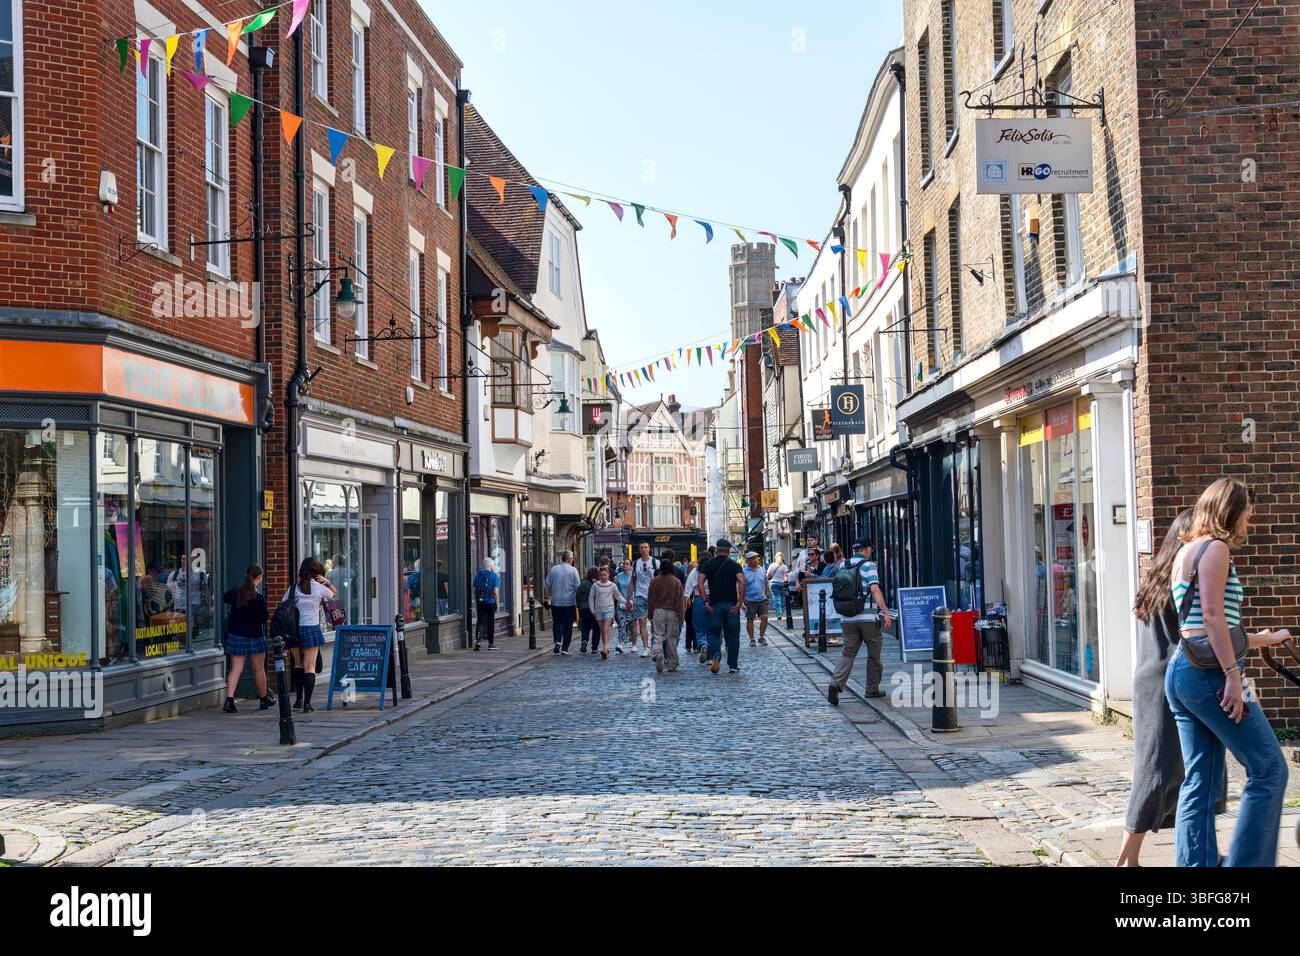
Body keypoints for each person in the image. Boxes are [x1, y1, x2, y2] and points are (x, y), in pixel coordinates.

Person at [1166, 478, 1290, 867]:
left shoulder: (1187, 549)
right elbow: (1214, 618)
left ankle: (1195, 864)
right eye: (1247, 514)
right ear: (1231, 511)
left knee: (1201, 778)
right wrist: (1233, 677)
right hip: (1210, 676)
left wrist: (1263, 638)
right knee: (1269, 769)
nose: (1249, 521)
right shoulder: (1216, 548)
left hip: (1182, 670)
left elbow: (1201, 627)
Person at [1117, 509, 1227, 866]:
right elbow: (1202, 632)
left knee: (1192, 770)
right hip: (1174, 681)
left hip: (1155, 681)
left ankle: (1200, 848)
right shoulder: (1183, 583)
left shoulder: (1158, 578)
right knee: (1158, 772)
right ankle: (1125, 859)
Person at [827, 538, 892, 705]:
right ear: (867, 549)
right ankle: (872, 689)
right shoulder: (869, 565)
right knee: (874, 654)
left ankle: (835, 683)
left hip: (847, 618)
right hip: (868, 618)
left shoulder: (844, 566)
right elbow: (875, 589)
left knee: (847, 653)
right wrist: (885, 612)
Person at [285, 557, 336, 713]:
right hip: (311, 628)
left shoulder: (293, 588)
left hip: (294, 630)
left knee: (298, 664)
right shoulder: (319, 588)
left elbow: (283, 603)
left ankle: (298, 700)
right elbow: (333, 596)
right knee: (310, 667)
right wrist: (327, 582)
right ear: (316, 572)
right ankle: (307, 704)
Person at [221, 564, 274, 713]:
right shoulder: (258, 598)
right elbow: (264, 618)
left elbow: (225, 597)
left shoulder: (236, 592)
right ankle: (264, 699)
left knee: (236, 669)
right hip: (255, 636)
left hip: (236, 636)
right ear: (259, 578)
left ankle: (229, 701)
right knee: (258, 669)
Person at [697, 539, 745, 674]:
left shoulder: (708, 565)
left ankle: (716, 654)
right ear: (729, 550)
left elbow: (700, 582)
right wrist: (739, 602)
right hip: (731, 605)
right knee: (733, 635)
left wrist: (704, 602)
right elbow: (742, 582)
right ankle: (733, 665)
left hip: (715, 605)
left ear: (717, 550)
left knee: (714, 632)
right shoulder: (734, 565)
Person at [647, 555, 686, 674]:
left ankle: (657, 653)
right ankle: (672, 663)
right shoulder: (676, 581)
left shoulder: (654, 581)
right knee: (671, 638)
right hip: (672, 611)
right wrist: (681, 617)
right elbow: (680, 601)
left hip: (658, 610)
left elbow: (650, 598)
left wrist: (650, 614)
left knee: (658, 635)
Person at [544, 550, 581, 655]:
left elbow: (547, 584)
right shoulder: (573, 570)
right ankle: (565, 648)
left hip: (556, 601)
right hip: (569, 602)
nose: (573, 559)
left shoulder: (554, 569)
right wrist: (577, 601)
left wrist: (547, 598)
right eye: (572, 558)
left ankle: (557, 641)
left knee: (557, 622)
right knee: (567, 625)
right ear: (569, 559)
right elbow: (577, 587)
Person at [627, 542, 659, 657]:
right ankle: (646, 647)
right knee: (642, 621)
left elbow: (660, 580)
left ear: (649, 549)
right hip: (640, 595)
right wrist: (628, 599)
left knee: (654, 623)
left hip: (653, 596)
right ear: (639, 550)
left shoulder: (656, 563)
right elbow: (632, 582)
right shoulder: (636, 563)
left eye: (646, 547)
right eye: (641, 547)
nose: (644, 549)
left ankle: (655, 645)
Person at [589, 565, 620, 659]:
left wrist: (627, 603)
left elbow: (618, 596)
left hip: (609, 609)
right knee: (603, 630)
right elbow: (591, 598)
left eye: (605, 575)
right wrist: (592, 610)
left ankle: (605, 648)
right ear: (599, 575)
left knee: (606, 629)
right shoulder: (595, 585)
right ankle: (606, 648)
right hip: (598, 610)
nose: (603, 576)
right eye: (602, 575)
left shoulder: (612, 585)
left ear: (608, 575)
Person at [743, 551, 771, 647]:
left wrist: (767, 592)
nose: (756, 560)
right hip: (749, 599)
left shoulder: (762, 569)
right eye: (753, 558)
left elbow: (766, 582)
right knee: (750, 619)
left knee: (765, 617)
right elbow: (741, 586)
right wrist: (742, 600)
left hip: (762, 598)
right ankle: (752, 639)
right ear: (748, 560)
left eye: (756, 558)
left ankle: (761, 637)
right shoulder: (744, 571)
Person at [472, 558, 501, 650]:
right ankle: (491, 643)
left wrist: (477, 600)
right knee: (490, 622)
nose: (494, 566)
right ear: (490, 565)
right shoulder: (494, 576)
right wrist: (497, 602)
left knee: (480, 621)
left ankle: (478, 641)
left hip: (480, 602)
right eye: (493, 565)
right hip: (490, 602)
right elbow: (495, 591)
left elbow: (474, 590)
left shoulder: (477, 575)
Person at [577, 566, 600, 654]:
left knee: (585, 626)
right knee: (596, 628)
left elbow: (578, 595)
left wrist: (579, 605)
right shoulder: (599, 583)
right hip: (596, 608)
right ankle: (594, 647)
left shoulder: (583, 583)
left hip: (584, 608)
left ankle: (585, 640)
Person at [614, 559, 634, 652]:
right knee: (621, 624)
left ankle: (633, 643)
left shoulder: (634, 577)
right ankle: (620, 643)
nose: (625, 565)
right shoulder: (618, 576)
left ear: (631, 566)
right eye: (624, 564)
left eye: (627, 564)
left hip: (632, 603)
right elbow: (616, 590)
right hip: (621, 604)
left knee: (631, 624)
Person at [683, 560, 700, 654]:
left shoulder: (685, 578)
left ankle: (688, 645)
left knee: (689, 626)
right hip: (692, 604)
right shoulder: (695, 578)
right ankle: (695, 645)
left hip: (687, 605)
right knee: (695, 625)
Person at [767, 552, 788, 617]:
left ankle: (779, 614)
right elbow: (786, 577)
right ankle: (782, 611)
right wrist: (786, 582)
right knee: (782, 598)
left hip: (773, 584)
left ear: (775, 558)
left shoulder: (772, 565)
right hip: (782, 583)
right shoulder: (784, 566)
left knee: (776, 598)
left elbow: (768, 575)